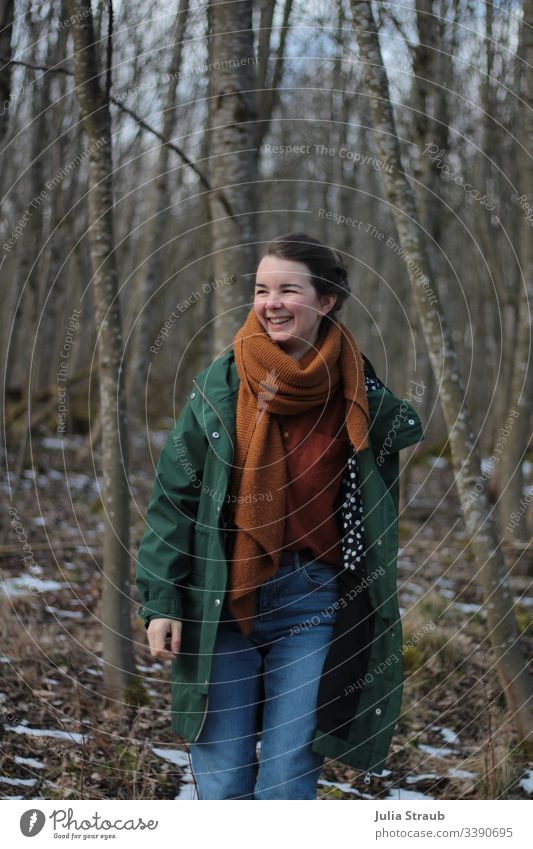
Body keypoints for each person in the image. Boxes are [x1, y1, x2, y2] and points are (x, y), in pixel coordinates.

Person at [135, 233, 424, 800]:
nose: (271, 302)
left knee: (289, 776)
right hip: (220, 599)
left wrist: (362, 384)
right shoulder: (222, 383)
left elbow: (401, 433)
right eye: (262, 289)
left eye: (289, 289)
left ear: (327, 302)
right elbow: (174, 499)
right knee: (222, 775)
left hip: (315, 600)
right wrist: (161, 603)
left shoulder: (354, 390)